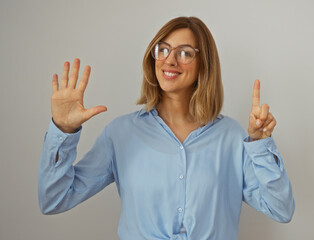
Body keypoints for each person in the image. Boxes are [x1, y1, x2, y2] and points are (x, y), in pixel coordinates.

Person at [38, 16, 295, 240]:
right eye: (162, 49)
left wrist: (260, 145)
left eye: (184, 53)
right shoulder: (120, 134)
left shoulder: (232, 137)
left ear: (204, 63)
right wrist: (63, 130)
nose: (170, 60)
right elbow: (54, 199)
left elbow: (281, 209)